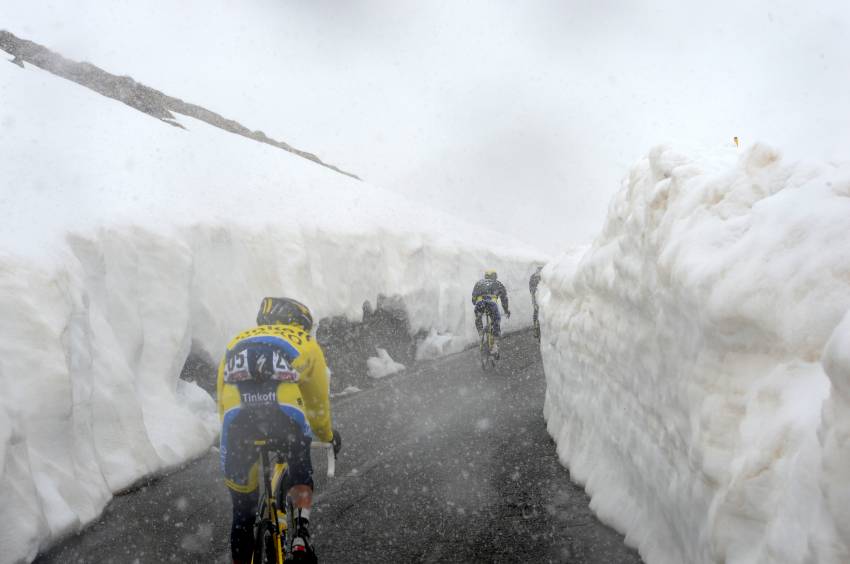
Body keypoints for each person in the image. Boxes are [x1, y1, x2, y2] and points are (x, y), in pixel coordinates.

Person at [217, 297, 341, 564]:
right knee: (299, 458)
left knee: (242, 513)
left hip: (237, 422)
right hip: (283, 416)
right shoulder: (305, 342)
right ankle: (300, 538)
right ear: (300, 322)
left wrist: (230, 436)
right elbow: (318, 403)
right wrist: (326, 436)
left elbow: (222, 398)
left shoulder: (236, 341)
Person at [471, 270, 510, 355]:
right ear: (494, 276)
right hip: (492, 305)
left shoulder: (479, 283)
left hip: (480, 304)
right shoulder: (498, 283)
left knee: (478, 317)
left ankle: (481, 333)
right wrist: (506, 310)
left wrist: (477, 302)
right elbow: (504, 299)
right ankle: (495, 345)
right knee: (496, 319)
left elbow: (473, 299)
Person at [529, 265, 543, 340]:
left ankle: (536, 328)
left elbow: (530, 288)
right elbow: (531, 288)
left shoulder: (533, 276)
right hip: (538, 297)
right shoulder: (537, 277)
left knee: (536, 311)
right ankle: (536, 327)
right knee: (537, 311)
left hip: (537, 296)